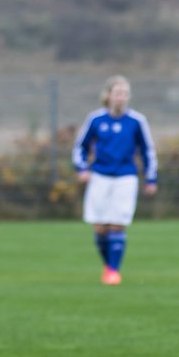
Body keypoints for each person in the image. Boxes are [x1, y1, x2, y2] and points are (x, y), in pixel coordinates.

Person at [73, 76, 158, 285]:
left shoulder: (137, 121)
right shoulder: (95, 120)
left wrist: (151, 178)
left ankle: (113, 271)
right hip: (100, 176)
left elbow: (148, 151)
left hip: (125, 177)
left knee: (118, 224)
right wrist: (82, 169)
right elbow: (79, 147)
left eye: (125, 94)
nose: (121, 98)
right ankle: (108, 265)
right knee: (100, 227)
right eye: (118, 93)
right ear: (108, 96)